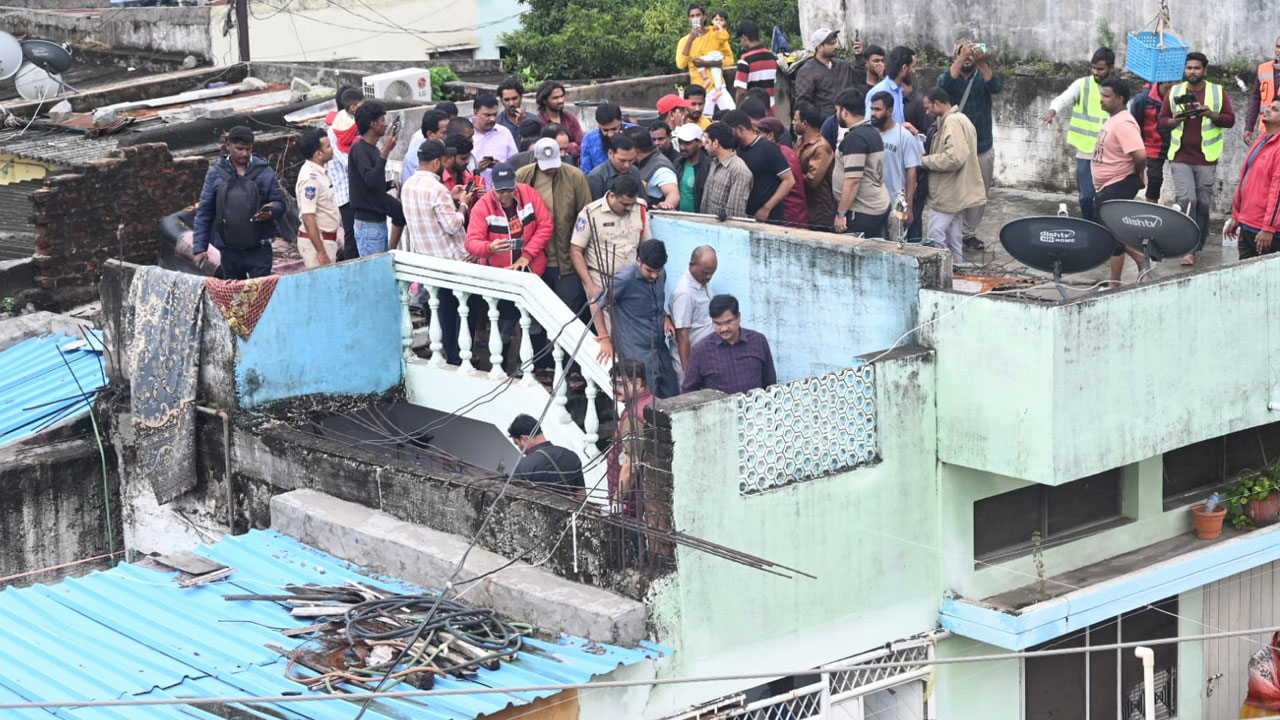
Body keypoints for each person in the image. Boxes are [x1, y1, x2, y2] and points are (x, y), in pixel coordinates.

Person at [466, 163, 552, 366]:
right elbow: (471, 243)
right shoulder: (483, 206)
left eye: (509, 190)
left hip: (531, 272)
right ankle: (502, 367)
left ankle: (536, 367)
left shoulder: (529, 194)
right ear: (492, 188)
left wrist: (527, 256)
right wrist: (490, 247)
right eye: (500, 191)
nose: (505, 195)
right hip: (502, 276)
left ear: (516, 185)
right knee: (505, 324)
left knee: (535, 323)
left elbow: (546, 225)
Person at [1159, 52, 1236, 264]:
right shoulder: (1175, 91)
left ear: (1205, 70)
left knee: (1202, 204)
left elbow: (1230, 120)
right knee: (1187, 200)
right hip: (1180, 157)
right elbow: (1162, 120)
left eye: (1196, 68)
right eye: (1189, 68)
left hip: (1206, 159)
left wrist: (1210, 114)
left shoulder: (1217, 92)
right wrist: (1174, 121)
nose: (1192, 72)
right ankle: (1188, 249)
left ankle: (1198, 245)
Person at [401, 139, 472, 365]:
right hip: (451, 260)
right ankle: (460, 358)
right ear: (435, 163)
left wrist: (451, 197)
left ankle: (451, 356)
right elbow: (452, 225)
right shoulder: (437, 188)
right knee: (463, 310)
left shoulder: (409, 185)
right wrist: (463, 204)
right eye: (443, 160)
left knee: (444, 312)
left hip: (429, 260)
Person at [192, 125, 286, 279]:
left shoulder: (264, 171)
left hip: (260, 247)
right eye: (239, 149)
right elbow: (204, 212)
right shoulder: (215, 174)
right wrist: (199, 248)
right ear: (228, 146)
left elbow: (280, 202)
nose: (245, 154)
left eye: (248, 149)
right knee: (235, 297)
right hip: (229, 249)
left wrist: (271, 210)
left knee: (262, 294)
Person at [591, 238, 678, 398]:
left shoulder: (661, 274)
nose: (654, 275)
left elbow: (656, 303)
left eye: (657, 270)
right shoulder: (624, 280)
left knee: (672, 395)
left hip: (659, 349)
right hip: (636, 353)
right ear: (639, 261)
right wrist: (604, 339)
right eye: (649, 270)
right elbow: (595, 304)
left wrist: (665, 317)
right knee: (644, 403)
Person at [517, 136, 594, 315]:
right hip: (533, 259)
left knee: (568, 314)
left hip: (567, 261)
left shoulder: (575, 177)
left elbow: (585, 217)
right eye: (546, 165)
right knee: (536, 316)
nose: (551, 169)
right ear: (536, 160)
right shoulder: (523, 176)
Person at [1039, 47, 1117, 222]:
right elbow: (1063, 98)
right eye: (1093, 68)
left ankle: (1106, 231)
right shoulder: (1083, 84)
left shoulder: (1118, 89)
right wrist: (1052, 112)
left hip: (1111, 153)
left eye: (1100, 69)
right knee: (1086, 197)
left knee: (1106, 199)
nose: (1096, 72)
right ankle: (1090, 227)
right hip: (1086, 151)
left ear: (1111, 68)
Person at [940, 40, 1003, 249]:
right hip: (956, 146)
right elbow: (942, 86)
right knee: (955, 189)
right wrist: (961, 56)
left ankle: (969, 233)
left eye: (970, 55)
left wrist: (982, 63)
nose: (967, 58)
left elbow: (996, 86)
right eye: (962, 54)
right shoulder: (950, 77)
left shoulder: (982, 76)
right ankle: (954, 231)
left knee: (980, 192)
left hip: (982, 145)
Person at [1091, 76, 1148, 284]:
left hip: (1118, 183)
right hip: (1109, 184)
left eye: (1106, 96)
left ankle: (1115, 283)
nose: (1102, 99)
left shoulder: (1124, 122)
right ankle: (1140, 260)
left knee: (1113, 234)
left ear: (1120, 98)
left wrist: (1134, 173)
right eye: (1101, 95)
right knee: (1112, 232)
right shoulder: (1114, 119)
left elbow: (1140, 155)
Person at [920, 87, 985, 262]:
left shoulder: (952, 122)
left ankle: (941, 268)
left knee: (935, 235)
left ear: (938, 104)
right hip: (956, 189)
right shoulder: (960, 118)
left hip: (947, 190)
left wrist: (925, 161)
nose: (927, 112)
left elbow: (955, 157)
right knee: (953, 236)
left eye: (929, 107)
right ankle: (958, 269)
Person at [571, 175, 653, 302]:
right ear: (612, 196)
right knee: (608, 321)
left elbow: (647, 246)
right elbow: (576, 250)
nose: (629, 208)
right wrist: (590, 286)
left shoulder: (640, 208)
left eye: (632, 204)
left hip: (632, 281)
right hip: (602, 281)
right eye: (625, 204)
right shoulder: (590, 213)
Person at [682, 293, 776, 395]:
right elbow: (689, 391)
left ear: (738, 317)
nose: (724, 328)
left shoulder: (758, 341)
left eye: (728, 322)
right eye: (718, 324)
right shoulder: (701, 350)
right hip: (720, 410)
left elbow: (770, 384)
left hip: (756, 409)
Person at [1225, 98, 1280, 260]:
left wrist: (1269, 228)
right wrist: (1237, 216)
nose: (1268, 110)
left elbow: (1277, 192)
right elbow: (1244, 181)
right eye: (1269, 106)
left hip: (1265, 231)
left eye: (1275, 109)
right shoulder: (1261, 140)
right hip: (1247, 223)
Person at [830, 89, 890, 237]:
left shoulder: (856, 139)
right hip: (877, 204)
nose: (836, 114)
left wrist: (841, 213)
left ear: (844, 112)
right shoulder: (872, 132)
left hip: (862, 210)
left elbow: (853, 180)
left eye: (837, 110)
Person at [347, 101, 404, 255]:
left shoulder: (371, 149)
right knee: (375, 276)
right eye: (382, 120)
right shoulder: (359, 149)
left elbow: (370, 185)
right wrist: (385, 152)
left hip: (377, 223)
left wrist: (390, 184)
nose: (385, 124)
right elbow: (370, 181)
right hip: (368, 226)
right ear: (373, 124)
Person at [722, 109, 794, 223]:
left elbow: (789, 181)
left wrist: (766, 208)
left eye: (731, 132)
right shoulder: (738, 150)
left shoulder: (768, 148)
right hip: (747, 218)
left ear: (740, 129)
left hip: (769, 219)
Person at [869, 92, 922, 241]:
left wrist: (909, 206)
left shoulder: (904, 136)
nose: (873, 113)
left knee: (897, 248)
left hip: (897, 206)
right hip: (875, 205)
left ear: (890, 110)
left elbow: (911, 171)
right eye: (872, 109)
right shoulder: (871, 135)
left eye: (878, 109)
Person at [608, 358, 655, 516]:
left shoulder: (633, 417)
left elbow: (630, 468)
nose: (616, 389)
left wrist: (616, 504)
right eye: (614, 384)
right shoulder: (653, 402)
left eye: (621, 384)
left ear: (638, 383)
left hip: (636, 500)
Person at [669, 245, 717, 381]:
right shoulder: (685, 293)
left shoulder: (702, 280)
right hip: (690, 362)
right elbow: (682, 335)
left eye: (712, 272)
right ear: (692, 265)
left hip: (705, 358)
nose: (709, 277)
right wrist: (689, 372)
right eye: (706, 272)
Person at [507, 414, 585, 496]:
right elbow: (581, 494)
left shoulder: (523, 467)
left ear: (524, 438)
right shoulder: (571, 456)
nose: (519, 448)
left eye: (517, 443)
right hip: (572, 508)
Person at [327, 86, 363, 260]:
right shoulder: (335, 130)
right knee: (352, 238)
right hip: (346, 193)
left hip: (355, 191)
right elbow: (348, 162)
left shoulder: (350, 127)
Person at [295, 129, 340, 268]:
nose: (332, 149)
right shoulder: (311, 178)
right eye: (328, 147)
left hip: (327, 241)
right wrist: (321, 252)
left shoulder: (320, 172)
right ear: (318, 154)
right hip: (318, 243)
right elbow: (308, 218)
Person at [676, 4, 736, 110]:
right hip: (700, 90)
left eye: (698, 15)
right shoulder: (684, 41)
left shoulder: (716, 34)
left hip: (719, 86)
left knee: (733, 114)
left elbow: (730, 60)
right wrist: (691, 39)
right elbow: (681, 64)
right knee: (704, 122)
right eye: (692, 16)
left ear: (704, 17)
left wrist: (709, 64)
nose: (695, 18)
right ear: (689, 19)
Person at [754, 116, 808, 228]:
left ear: (770, 136)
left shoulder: (781, 155)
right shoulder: (785, 151)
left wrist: (766, 208)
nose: (755, 137)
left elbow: (789, 185)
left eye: (758, 133)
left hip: (790, 217)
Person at [793, 28, 856, 119]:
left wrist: (859, 57)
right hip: (824, 124)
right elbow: (803, 102)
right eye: (831, 43)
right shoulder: (807, 71)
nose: (836, 46)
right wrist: (821, 117)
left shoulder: (843, 66)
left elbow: (858, 83)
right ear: (820, 47)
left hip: (847, 119)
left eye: (836, 42)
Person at [793, 101, 835, 229]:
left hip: (819, 210)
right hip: (804, 204)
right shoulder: (800, 142)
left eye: (795, 120)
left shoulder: (821, 147)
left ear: (804, 123)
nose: (793, 123)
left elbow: (812, 181)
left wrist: (789, 177)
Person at [1130, 81, 1172, 202]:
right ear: (1164, 82)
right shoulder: (1144, 98)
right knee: (1154, 179)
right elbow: (1134, 123)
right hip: (1152, 145)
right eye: (1173, 81)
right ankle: (1150, 208)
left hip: (1176, 144)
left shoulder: (1180, 95)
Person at [700, 121, 753, 218]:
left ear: (715, 143)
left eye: (707, 142)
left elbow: (735, 212)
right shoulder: (714, 162)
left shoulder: (739, 170)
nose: (705, 146)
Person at [629, 127, 681, 210]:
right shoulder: (636, 164)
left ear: (635, 150)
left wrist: (666, 205)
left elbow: (673, 193)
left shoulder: (661, 168)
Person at [472, 94, 519, 186]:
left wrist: (501, 167)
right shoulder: (465, 132)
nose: (492, 119)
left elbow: (516, 164)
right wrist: (476, 168)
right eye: (487, 115)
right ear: (476, 112)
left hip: (501, 192)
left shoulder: (504, 133)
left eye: (495, 114)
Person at [734, 20, 779, 109]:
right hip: (770, 108)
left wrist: (738, 110)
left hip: (753, 109)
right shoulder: (772, 57)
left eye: (741, 40)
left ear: (744, 38)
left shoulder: (745, 60)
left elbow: (741, 92)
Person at [864, 45, 916, 125]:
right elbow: (870, 125)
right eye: (913, 67)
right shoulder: (880, 91)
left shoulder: (898, 90)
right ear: (904, 68)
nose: (914, 71)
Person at [535, 80, 584, 160]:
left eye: (562, 96)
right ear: (544, 100)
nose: (561, 101)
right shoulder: (538, 121)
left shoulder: (570, 118)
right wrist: (570, 145)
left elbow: (582, 146)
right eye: (555, 98)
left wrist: (563, 148)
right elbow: (541, 150)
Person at [401, 109, 450, 189]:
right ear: (430, 134)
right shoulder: (412, 158)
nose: (448, 136)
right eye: (444, 133)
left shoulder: (452, 150)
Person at [586, 133, 643, 201]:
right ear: (610, 154)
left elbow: (642, 200)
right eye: (622, 160)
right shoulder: (596, 177)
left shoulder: (634, 171)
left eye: (631, 160)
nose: (627, 165)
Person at [580, 103, 634, 175]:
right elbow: (586, 172)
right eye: (605, 130)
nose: (610, 134)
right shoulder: (589, 139)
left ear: (621, 120)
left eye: (614, 129)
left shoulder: (635, 133)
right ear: (598, 125)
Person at [1245, 35, 1280, 146]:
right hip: (1266, 129)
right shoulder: (1263, 69)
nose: (1279, 51)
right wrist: (1249, 127)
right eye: (1278, 47)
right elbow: (1256, 99)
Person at [673, 123, 709, 212]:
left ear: (699, 143)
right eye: (680, 142)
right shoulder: (678, 163)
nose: (682, 147)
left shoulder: (709, 167)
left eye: (687, 143)